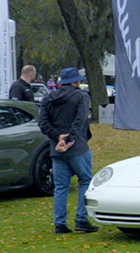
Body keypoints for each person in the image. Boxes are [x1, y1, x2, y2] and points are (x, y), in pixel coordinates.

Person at [37, 67, 97, 234]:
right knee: (85, 181)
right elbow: (80, 120)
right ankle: (81, 219)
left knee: (61, 187)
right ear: (75, 81)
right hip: (77, 147)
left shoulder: (48, 98)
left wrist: (58, 138)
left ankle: (60, 223)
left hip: (57, 148)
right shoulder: (81, 96)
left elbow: (42, 123)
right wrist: (69, 139)